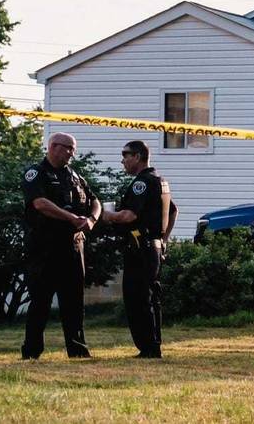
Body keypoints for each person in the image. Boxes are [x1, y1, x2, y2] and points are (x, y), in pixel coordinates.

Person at [20, 131, 101, 359]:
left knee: (74, 300)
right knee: (41, 300)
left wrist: (92, 220)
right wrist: (70, 218)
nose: (72, 154)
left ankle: (77, 349)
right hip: (45, 246)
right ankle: (32, 351)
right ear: (53, 146)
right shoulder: (36, 173)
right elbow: (40, 203)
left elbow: (95, 200)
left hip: (74, 247)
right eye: (68, 148)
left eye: (73, 149)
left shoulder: (74, 176)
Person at [101, 140, 171, 358]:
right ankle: (152, 345)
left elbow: (129, 215)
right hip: (154, 247)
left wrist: (106, 215)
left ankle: (148, 348)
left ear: (138, 156)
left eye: (126, 155)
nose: (123, 160)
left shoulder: (141, 183)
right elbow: (174, 212)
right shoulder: (160, 181)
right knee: (152, 297)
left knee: (138, 298)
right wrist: (163, 239)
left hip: (140, 247)